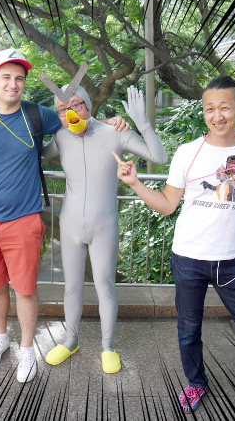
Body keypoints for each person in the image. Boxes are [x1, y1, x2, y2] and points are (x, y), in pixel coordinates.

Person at [114, 76, 235, 420]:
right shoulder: (188, 152)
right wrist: (134, 183)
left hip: (230, 261)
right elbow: (167, 205)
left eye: (225, 107)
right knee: (189, 329)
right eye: (210, 109)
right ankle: (196, 382)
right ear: (203, 112)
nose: (217, 116)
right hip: (188, 257)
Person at [0, 49, 128, 383]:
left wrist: (110, 122)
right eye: (6, 77)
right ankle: (0, 337)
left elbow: (77, 117)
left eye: (19, 78)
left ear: (24, 83)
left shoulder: (37, 115)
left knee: (24, 289)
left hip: (24, 220)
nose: (13, 84)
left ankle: (26, 349)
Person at [43, 85, 168, 374]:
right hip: (70, 223)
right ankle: (70, 340)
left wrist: (142, 123)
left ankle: (108, 346)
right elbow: (34, 151)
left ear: (88, 105)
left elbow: (159, 157)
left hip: (104, 225)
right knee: (71, 286)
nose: (70, 114)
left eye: (76, 105)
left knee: (104, 285)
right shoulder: (60, 136)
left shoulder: (115, 132)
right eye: (62, 110)